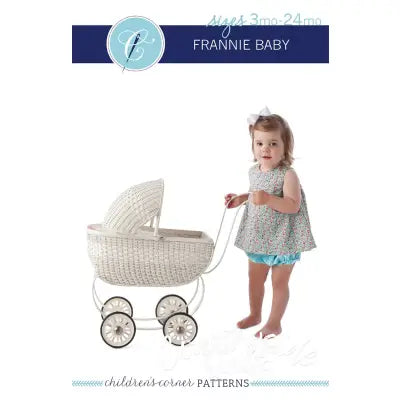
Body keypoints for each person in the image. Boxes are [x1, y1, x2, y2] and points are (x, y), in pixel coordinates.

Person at [225, 106, 316, 339]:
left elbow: (292, 205)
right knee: (254, 279)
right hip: (258, 237)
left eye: (273, 143)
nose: (265, 148)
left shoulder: (288, 174)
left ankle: (274, 323)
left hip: (283, 239)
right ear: (253, 145)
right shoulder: (254, 171)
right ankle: (255, 314)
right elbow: (254, 195)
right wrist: (241, 199)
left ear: (285, 147)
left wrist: (267, 199)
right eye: (260, 143)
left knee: (279, 283)